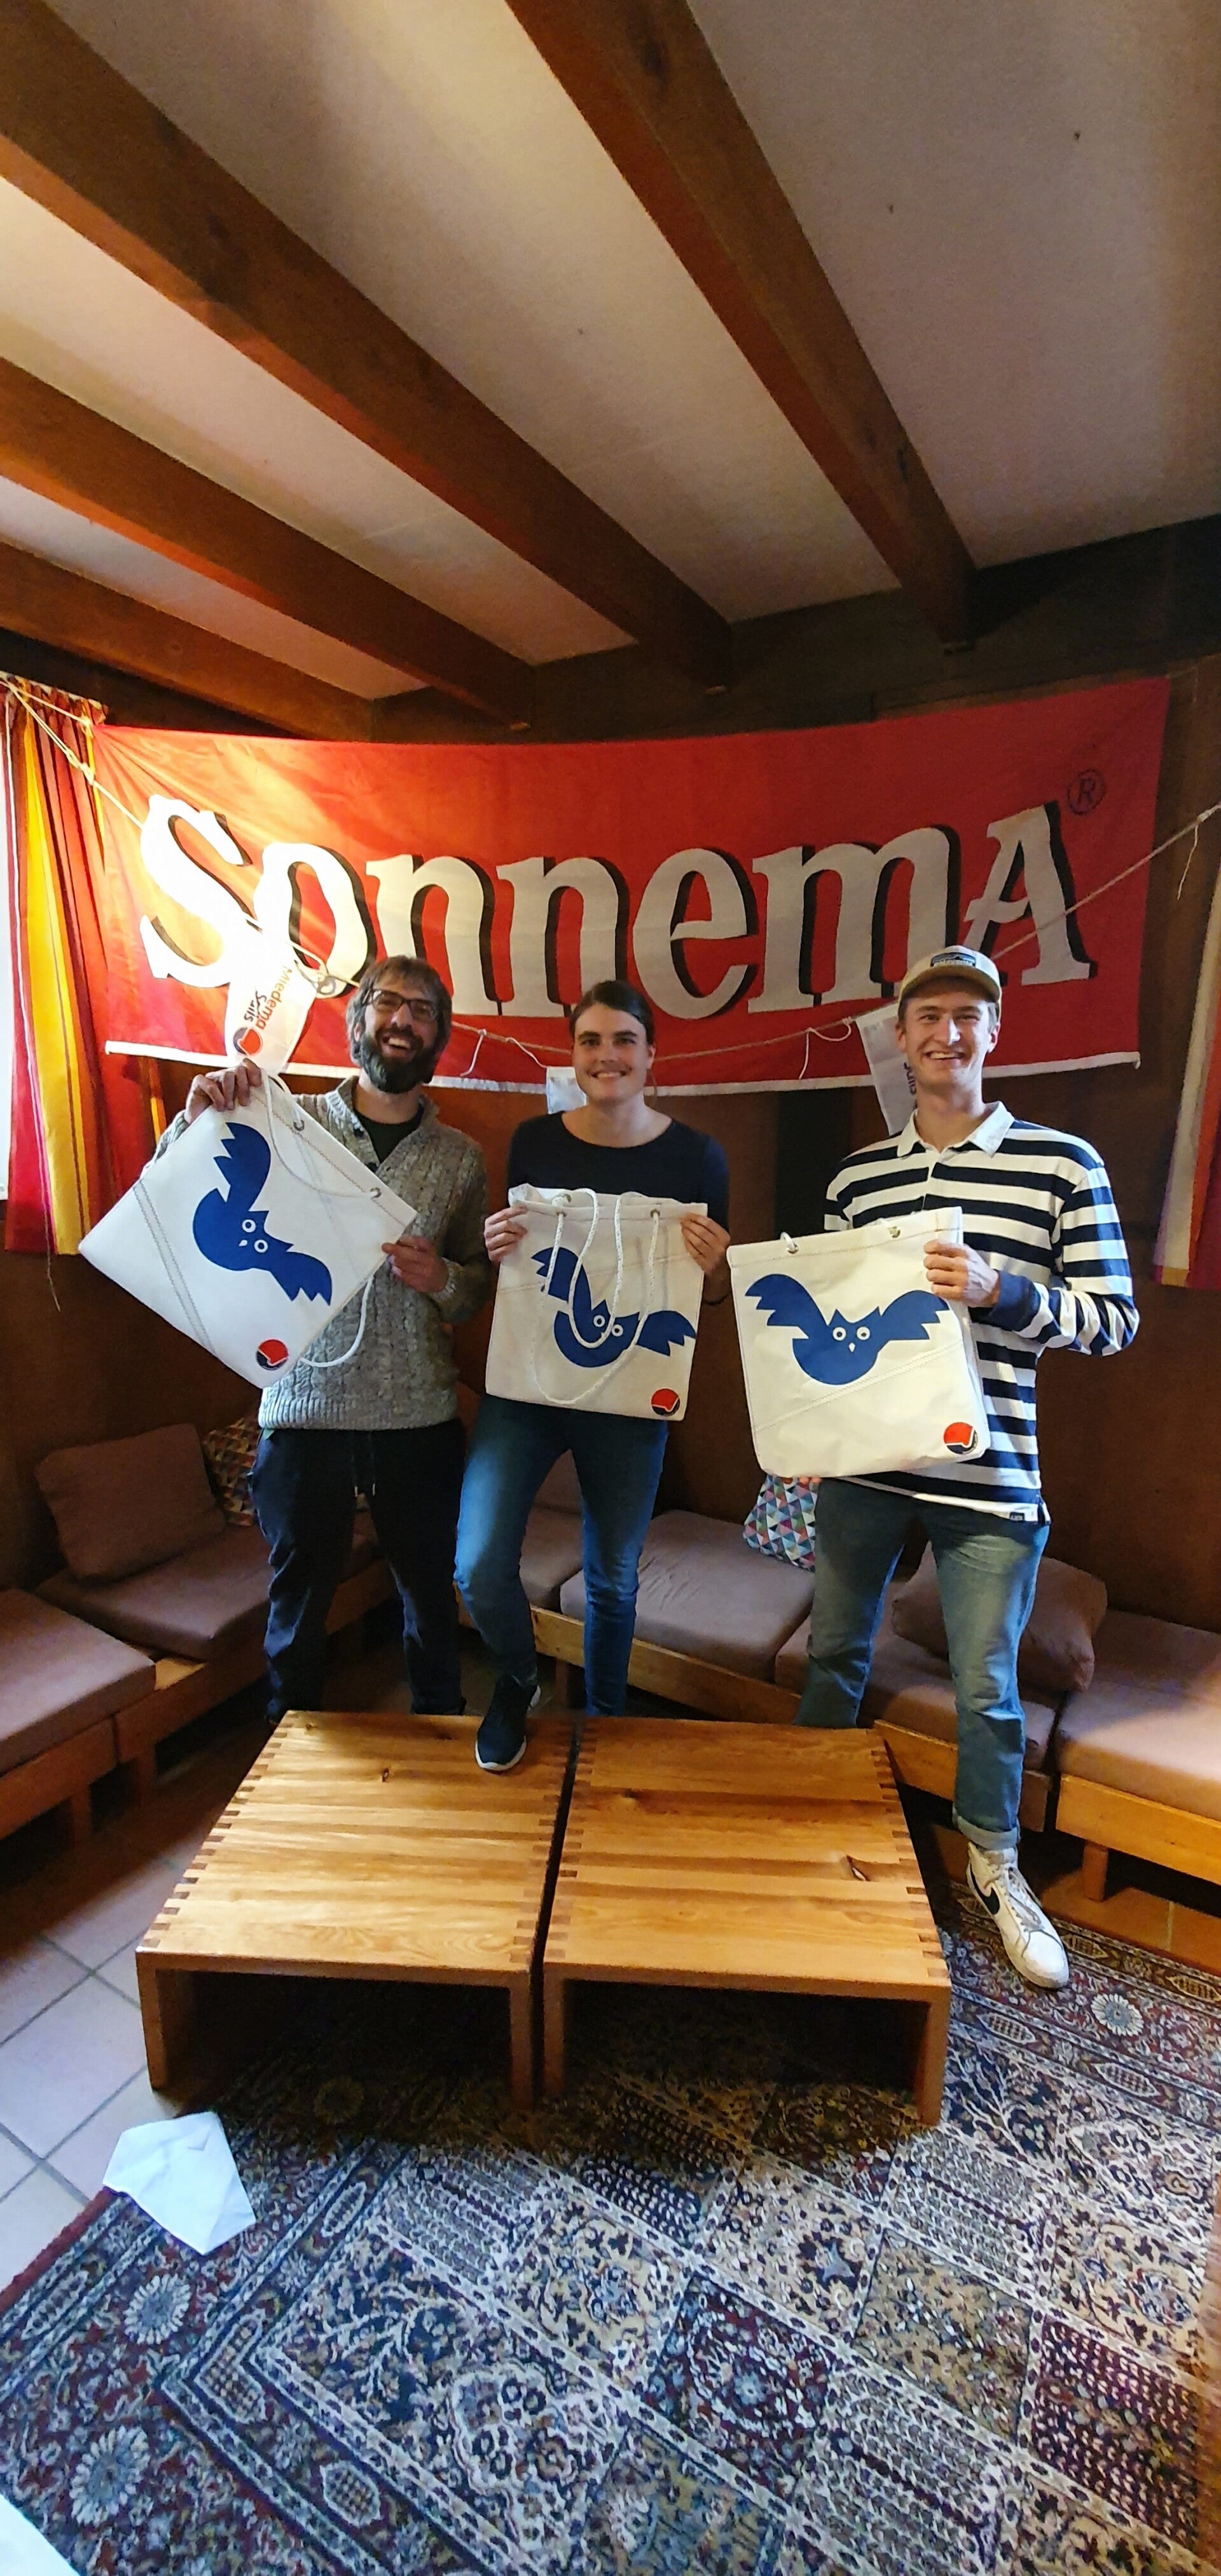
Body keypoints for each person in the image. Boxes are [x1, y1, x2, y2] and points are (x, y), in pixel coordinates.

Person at [796, 943, 1138, 1991]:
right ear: (902, 1039)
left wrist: (1004, 1291)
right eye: (930, 1016)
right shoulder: (857, 1178)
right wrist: (814, 1435)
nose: (949, 1033)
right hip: (867, 1469)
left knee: (987, 1688)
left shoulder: (1064, 1164)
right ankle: (807, 1809)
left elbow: (1115, 1320)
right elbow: (829, 1326)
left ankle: (995, 1861)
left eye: (968, 1015)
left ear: (994, 1033)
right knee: (833, 1653)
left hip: (992, 1474)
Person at [170, 956, 492, 1721]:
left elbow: (478, 1287)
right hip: (303, 1409)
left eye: (422, 1010)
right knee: (297, 1609)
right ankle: (289, 1753)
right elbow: (176, 1192)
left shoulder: (460, 1158)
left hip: (416, 1416)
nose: (402, 1020)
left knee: (430, 1601)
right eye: (387, 1003)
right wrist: (196, 1116)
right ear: (359, 1019)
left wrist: (441, 1277)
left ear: (438, 1035)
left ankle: (441, 1742)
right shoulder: (287, 1120)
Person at [457, 980, 731, 1772]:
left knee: (612, 1579)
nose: (607, 1056)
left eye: (623, 1041)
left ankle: (605, 1724)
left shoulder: (697, 1156)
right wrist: (498, 1242)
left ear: (651, 1055)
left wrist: (717, 1267)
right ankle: (517, 1678)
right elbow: (520, 1265)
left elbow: (709, 1293)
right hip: (528, 1383)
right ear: (572, 1055)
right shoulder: (534, 1142)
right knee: (476, 1560)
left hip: (631, 1390)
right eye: (590, 1041)